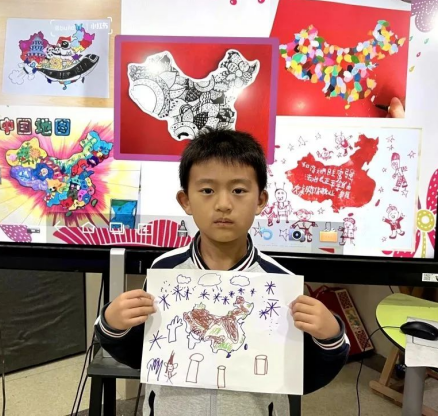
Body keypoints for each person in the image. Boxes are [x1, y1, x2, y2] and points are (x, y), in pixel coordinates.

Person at [95, 129, 349, 416]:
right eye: (207, 190)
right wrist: (113, 326)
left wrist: (329, 337)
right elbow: (144, 356)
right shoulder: (165, 271)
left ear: (261, 200)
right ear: (185, 201)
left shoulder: (280, 282)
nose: (224, 204)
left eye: (239, 190)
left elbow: (302, 376)